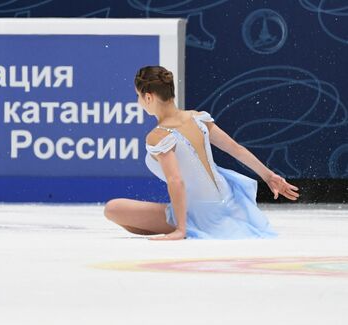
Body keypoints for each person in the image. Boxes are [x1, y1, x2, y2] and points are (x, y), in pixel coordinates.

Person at [104, 66, 300, 241]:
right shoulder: (198, 118)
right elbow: (236, 149)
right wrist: (269, 175)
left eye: (138, 96)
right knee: (133, 223)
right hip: (232, 203)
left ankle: (184, 225)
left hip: (202, 214)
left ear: (148, 97)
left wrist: (181, 229)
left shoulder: (159, 135)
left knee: (112, 209)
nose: (138, 101)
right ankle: (180, 223)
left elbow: (176, 180)